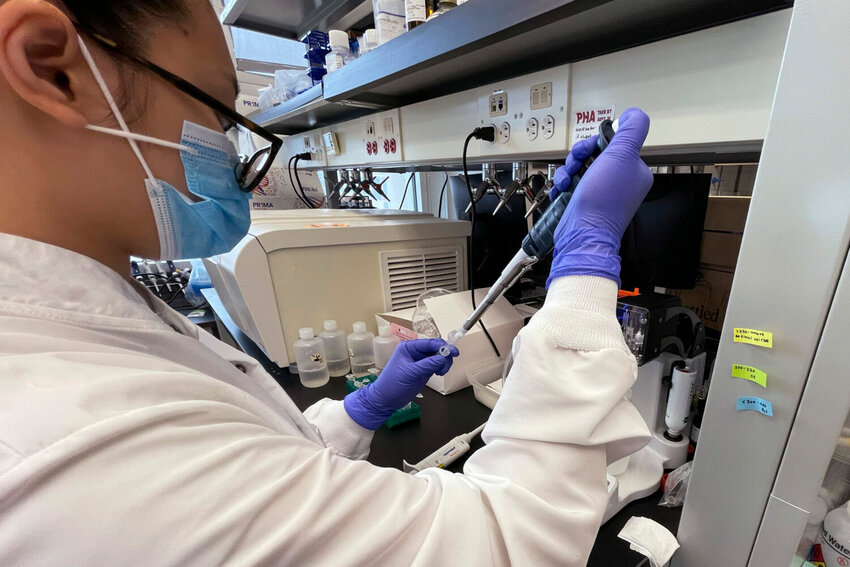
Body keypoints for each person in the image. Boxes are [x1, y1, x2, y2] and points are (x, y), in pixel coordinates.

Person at [0, 0, 654, 564]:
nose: (235, 158)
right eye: (218, 114)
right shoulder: (73, 445)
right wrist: (585, 265)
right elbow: (512, 537)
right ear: (52, 66)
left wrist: (355, 412)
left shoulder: (81, 328)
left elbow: (257, 474)